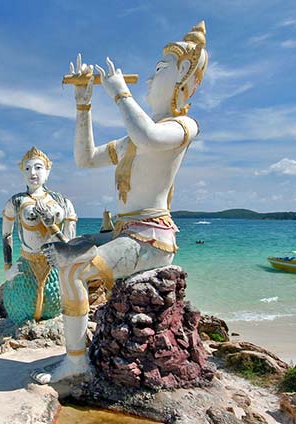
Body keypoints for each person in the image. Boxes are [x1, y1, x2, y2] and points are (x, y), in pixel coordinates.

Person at [34, 21, 208, 384]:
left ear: (184, 80)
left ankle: (76, 365)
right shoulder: (135, 137)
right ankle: (78, 354)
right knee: (64, 250)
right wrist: (84, 105)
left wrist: (118, 94)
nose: (146, 80)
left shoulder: (182, 125)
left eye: (159, 71)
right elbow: (86, 158)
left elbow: (148, 136)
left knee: (73, 269)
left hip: (150, 239)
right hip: (123, 233)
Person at [1, 147, 77, 324]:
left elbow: (70, 245)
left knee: (54, 306)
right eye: (27, 169)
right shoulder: (16, 202)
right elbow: (6, 234)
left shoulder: (63, 202)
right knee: (23, 310)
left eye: (38, 167)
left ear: (48, 171)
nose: (32, 173)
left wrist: (51, 226)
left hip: (54, 265)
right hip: (26, 265)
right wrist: (8, 268)